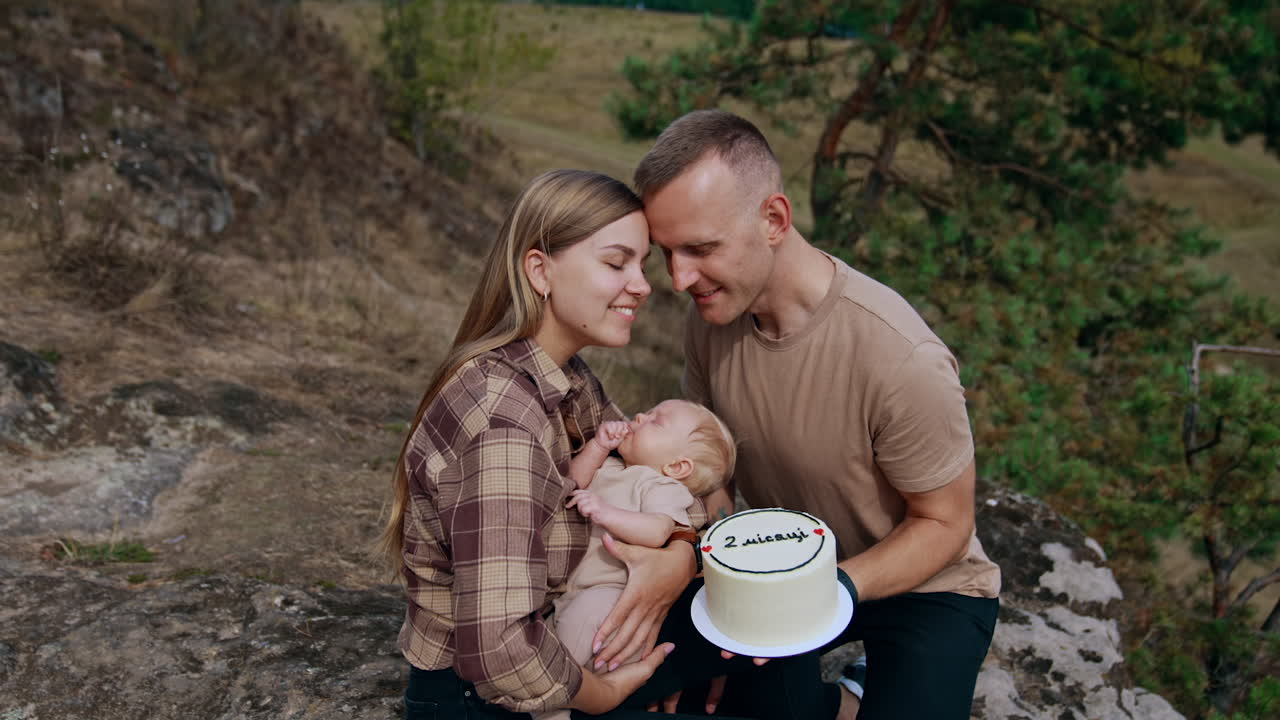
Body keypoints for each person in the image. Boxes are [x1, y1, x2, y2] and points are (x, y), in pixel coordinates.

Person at [612, 109, 1003, 720]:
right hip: (773, 573)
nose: (679, 278)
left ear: (774, 219)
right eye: (667, 252)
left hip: (920, 586)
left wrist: (828, 591)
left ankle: (868, 680)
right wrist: (700, 572)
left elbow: (944, 525)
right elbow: (713, 481)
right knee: (621, 694)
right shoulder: (710, 318)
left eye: (700, 249)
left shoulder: (902, 357)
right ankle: (837, 704)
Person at [379, 169, 696, 719]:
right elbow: (500, 647)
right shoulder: (506, 422)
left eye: (641, 266)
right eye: (616, 262)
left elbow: (658, 469)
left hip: (553, 652)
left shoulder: (564, 377)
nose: (643, 285)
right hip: (481, 702)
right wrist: (607, 696)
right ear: (539, 270)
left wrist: (680, 557)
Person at [536, 399, 736, 720]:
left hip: (609, 594)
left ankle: (552, 707)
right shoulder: (612, 465)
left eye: (656, 421)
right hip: (568, 589)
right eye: (647, 411)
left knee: (577, 629)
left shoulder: (661, 486)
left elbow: (657, 529)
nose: (641, 415)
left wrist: (606, 512)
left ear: (677, 467)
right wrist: (598, 447)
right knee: (548, 635)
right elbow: (570, 483)